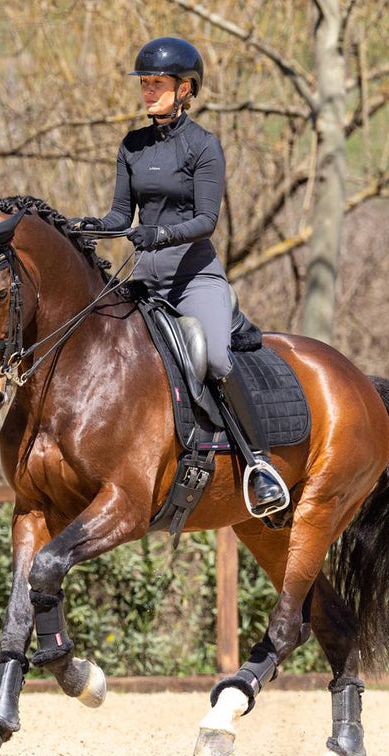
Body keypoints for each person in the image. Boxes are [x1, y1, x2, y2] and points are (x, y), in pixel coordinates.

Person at [69, 36, 288, 516]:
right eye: (144, 84)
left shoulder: (204, 147)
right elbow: (119, 216)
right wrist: (84, 226)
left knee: (213, 362)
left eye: (157, 84)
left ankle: (260, 465)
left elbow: (207, 220)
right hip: (145, 278)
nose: (147, 91)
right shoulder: (132, 145)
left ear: (186, 88)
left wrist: (159, 235)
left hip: (194, 277)